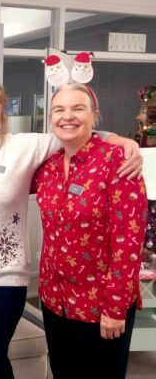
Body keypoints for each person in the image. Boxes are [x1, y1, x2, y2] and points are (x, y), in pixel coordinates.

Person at [0, 82, 142, 379]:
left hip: (27, 286)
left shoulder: (27, 148)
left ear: (2, 116)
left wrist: (123, 140)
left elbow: (73, 133)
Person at [32, 83, 147, 379]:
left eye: (78, 108)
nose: (67, 116)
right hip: (54, 299)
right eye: (59, 109)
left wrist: (115, 307)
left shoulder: (117, 161)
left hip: (100, 304)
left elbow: (129, 242)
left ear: (95, 115)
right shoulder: (48, 167)